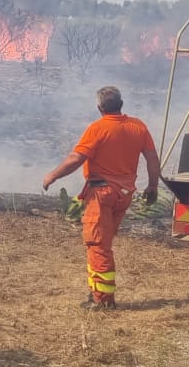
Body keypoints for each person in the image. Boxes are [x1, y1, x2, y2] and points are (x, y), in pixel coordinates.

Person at [42, 85, 161, 309]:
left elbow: (76, 159)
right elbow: (152, 158)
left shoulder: (97, 129)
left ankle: (103, 301)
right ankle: (96, 290)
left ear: (100, 108)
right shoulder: (139, 127)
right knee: (102, 244)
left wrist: (53, 175)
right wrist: (153, 186)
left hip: (102, 195)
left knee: (97, 244)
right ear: (121, 105)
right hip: (124, 195)